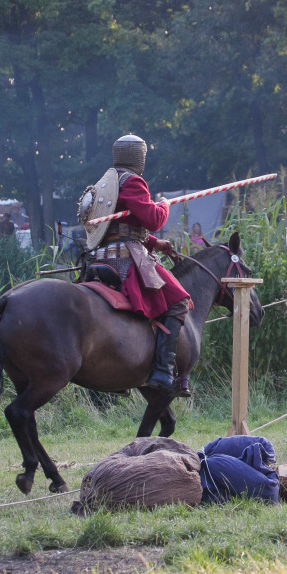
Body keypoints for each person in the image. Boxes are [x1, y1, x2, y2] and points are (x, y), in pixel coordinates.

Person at [87, 134, 193, 397]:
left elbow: (123, 226)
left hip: (100, 257)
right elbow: (154, 218)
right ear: (138, 156)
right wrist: (164, 205)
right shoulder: (132, 182)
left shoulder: (103, 185)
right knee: (179, 300)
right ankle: (162, 371)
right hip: (126, 257)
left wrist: (154, 243)